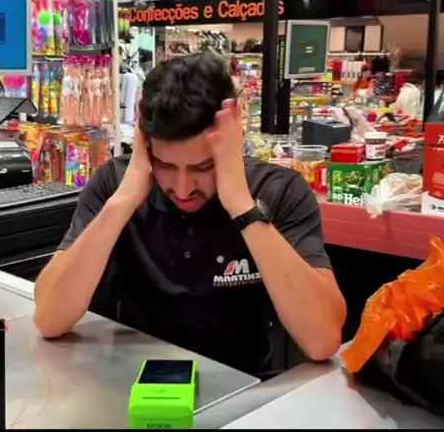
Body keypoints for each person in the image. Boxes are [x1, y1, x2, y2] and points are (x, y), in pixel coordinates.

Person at [34, 53, 345, 377]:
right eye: (166, 165)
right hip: (133, 381)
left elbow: (322, 340)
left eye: (203, 167)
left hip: (246, 386)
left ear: (232, 138)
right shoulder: (115, 184)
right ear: (145, 145)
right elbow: (50, 319)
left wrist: (243, 207)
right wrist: (124, 200)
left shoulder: (279, 190)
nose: (183, 189)